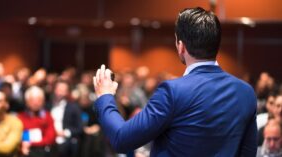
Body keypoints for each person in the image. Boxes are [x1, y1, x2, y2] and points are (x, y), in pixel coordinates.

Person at [92, 7, 257, 156]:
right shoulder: (246, 92)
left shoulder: (172, 91)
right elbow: (248, 152)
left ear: (181, 46)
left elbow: (121, 138)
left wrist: (105, 97)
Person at [46, 80, 82, 157]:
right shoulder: (47, 106)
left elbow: (79, 128)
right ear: (54, 89)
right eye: (58, 89)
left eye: (63, 90)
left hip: (66, 144)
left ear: (67, 92)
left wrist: (65, 133)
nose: (60, 93)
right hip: (49, 144)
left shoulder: (74, 107)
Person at [17, 86, 56, 157]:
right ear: (26, 102)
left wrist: (32, 143)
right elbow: (17, 137)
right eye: (32, 100)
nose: (35, 103)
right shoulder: (20, 117)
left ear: (43, 102)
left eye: (39, 100)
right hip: (25, 150)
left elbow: (50, 138)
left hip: (43, 150)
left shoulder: (48, 116)